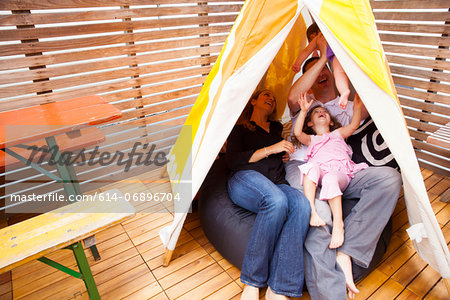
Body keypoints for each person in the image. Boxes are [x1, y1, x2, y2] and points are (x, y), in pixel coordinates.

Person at [285, 36, 402, 300]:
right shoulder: (306, 108)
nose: (320, 74)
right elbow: (294, 95)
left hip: (341, 172)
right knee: (320, 214)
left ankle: (347, 250)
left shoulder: (347, 106)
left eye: (325, 70)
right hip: (307, 170)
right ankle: (330, 294)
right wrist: (319, 56)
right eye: (313, 73)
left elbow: (380, 98)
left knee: (389, 179)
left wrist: (337, 63)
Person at [226, 89, 311, 299]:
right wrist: (272, 149)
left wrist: (281, 155)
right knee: (276, 200)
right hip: (246, 178)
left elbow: (277, 154)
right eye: (266, 95)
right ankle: (252, 282)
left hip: (276, 181)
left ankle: (279, 287)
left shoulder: (276, 127)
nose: (272, 98)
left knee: (301, 204)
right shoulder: (239, 128)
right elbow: (233, 161)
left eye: (274, 97)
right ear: (253, 100)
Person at [293, 92, 368, 251]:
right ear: (310, 124)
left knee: (330, 179)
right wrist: (304, 110)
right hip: (320, 171)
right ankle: (312, 211)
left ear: (332, 122)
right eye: (316, 112)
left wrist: (357, 107)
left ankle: (338, 224)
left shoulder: (338, 134)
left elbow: (354, 124)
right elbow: (297, 133)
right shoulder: (311, 139)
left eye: (325, 112)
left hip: (339, 172)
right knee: (309, 167)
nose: (322, 112)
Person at [292, 23, 351, 110]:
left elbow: (306, 50)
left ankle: (344, 91)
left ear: (313, 36)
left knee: (338, 72)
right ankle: (344, 91)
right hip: (337, 54)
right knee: (338, 72)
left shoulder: (318, 38)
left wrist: (298, 63)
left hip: (337, 54)